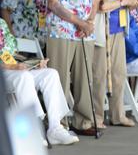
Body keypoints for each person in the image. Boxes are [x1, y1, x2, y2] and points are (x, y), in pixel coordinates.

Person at [44, 0, 103, 137]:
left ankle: (83, 121)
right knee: (59, 77)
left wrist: (90, 21)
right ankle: (57, 123)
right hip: (61, 30)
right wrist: (79, 22)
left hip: (85, 30)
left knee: (84, 79)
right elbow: (52, 2)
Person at [1, 17, 79, 145]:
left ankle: (55, 128)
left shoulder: (2, 24)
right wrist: (12, 67)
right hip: (4, 72)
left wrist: (33, 64)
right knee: (24, 77)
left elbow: (12, 54)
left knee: (50, 74)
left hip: (14, 69)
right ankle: (33, 130)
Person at [93, 0, 138, 128]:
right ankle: (97, 117)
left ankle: (118, 115)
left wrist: (132, 3)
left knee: (118, 74)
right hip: (103, 31)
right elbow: (102, 5)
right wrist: (125, 1)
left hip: (118, 30)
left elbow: (121, 2)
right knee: (100, 76)